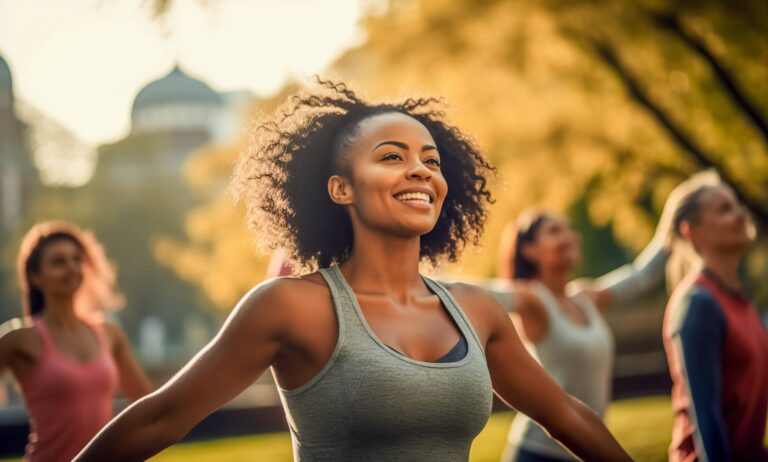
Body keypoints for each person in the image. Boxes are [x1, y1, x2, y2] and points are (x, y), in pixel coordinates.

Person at [76, 78, 631, 462]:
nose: (419, 170)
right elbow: (158, 419)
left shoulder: (477, 310)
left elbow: (566, 415)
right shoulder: (291, 307)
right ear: (341, 188)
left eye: (430, 160)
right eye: (392, 156)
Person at [478, 202, 671, 461]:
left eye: (569, 230)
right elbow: (476, 294)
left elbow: (641, 276)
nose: (569, 236)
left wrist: (674, 219)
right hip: (538, 453)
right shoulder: (533, 299)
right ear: (530, 250)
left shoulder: (585, 298)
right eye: (555, 231)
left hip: (585, 448)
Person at [0, 221, 152, 462]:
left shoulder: (109, 333)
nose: (71, 267)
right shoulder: (19, 339)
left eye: (76, 259)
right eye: (59, 262)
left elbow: (147, 406)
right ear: (36, 277)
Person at [662, 172, 768, 461]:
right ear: (690, 232)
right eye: (724, 209)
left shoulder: (740, 300)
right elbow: (707, 421)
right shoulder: (698, 304)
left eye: (736, 206)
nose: (739, 215)